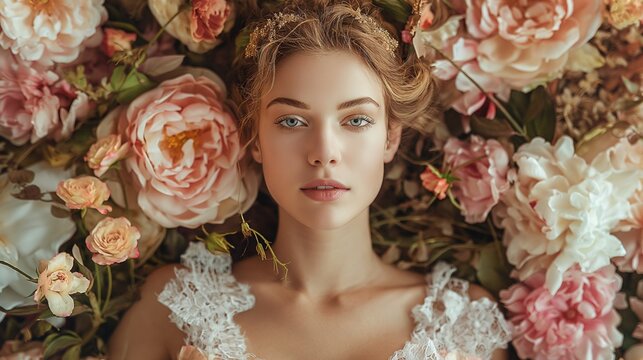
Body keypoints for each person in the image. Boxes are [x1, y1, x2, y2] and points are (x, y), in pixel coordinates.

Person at [108, 1, 511, 359]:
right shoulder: (174, 308)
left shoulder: (464, 324)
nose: (324, 152)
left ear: (390, 136)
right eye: (292, 120)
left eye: (356, 120)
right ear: (255, 138)